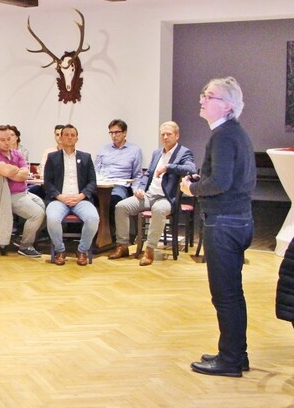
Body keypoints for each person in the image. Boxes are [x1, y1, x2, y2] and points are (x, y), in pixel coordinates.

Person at [181, 76, 255, 378]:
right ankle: (236, 353)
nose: (202, 99)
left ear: (226, 105)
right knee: (232, 292)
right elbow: (229, 178)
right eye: (203, 94)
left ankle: (230, 360)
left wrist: (191, 190)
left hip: (224, 222)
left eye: (209, 96)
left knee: (224, 294)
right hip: (239, 219)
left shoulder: (223, 135)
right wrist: (202, 182)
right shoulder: (234, 133)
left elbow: (221, 183)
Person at [108, 121, 196, 265]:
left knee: (158, 209)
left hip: (166, 197)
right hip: (149, 195)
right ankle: (122, 245)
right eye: (163, 134)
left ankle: (149, 250)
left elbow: (191, 169)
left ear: (177, 136)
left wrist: (168, 167)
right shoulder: (157, 153)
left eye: (169, 134)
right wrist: (140, 188)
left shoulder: (183, 152)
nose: (165, 137)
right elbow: (147, 174)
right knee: (121, 206)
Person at [0, 125, 45, 258]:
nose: (7, 142)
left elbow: (25, 174)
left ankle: (21, 238)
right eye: (2, 140)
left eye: (9, 138)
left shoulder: (17, 153)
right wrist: (14, 170)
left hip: (24, 192)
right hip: (7, 196)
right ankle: (25, 245)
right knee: (37, 214)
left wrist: (11, 171)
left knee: (45, 210)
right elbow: (8, 171)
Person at [43, 124, 99, 266]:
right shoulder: (52, 157)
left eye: (72, 135)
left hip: (80, 199)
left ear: (77, 138)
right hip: (59, 199)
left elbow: (92, 182)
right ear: (60, 138)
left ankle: (82, 250)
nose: (69, 138)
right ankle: (60, 250)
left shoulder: (86, 157)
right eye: (66, 135)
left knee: (93, 219)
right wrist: (59, 196)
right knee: (52, 219)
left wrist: (81, 196)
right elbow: (47, 182)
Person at [94, 119, 143, 231]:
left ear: (125, 132)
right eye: (111, 133)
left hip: (120, 186)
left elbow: (137, 174)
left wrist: (137, 190)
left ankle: (110, 232)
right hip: (101, 185)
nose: (114, 135)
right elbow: (96, 169)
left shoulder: (134, 150)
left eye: (117, 132)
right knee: (86, 199)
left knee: (113, 200)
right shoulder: (104, 149)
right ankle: (92, 233)